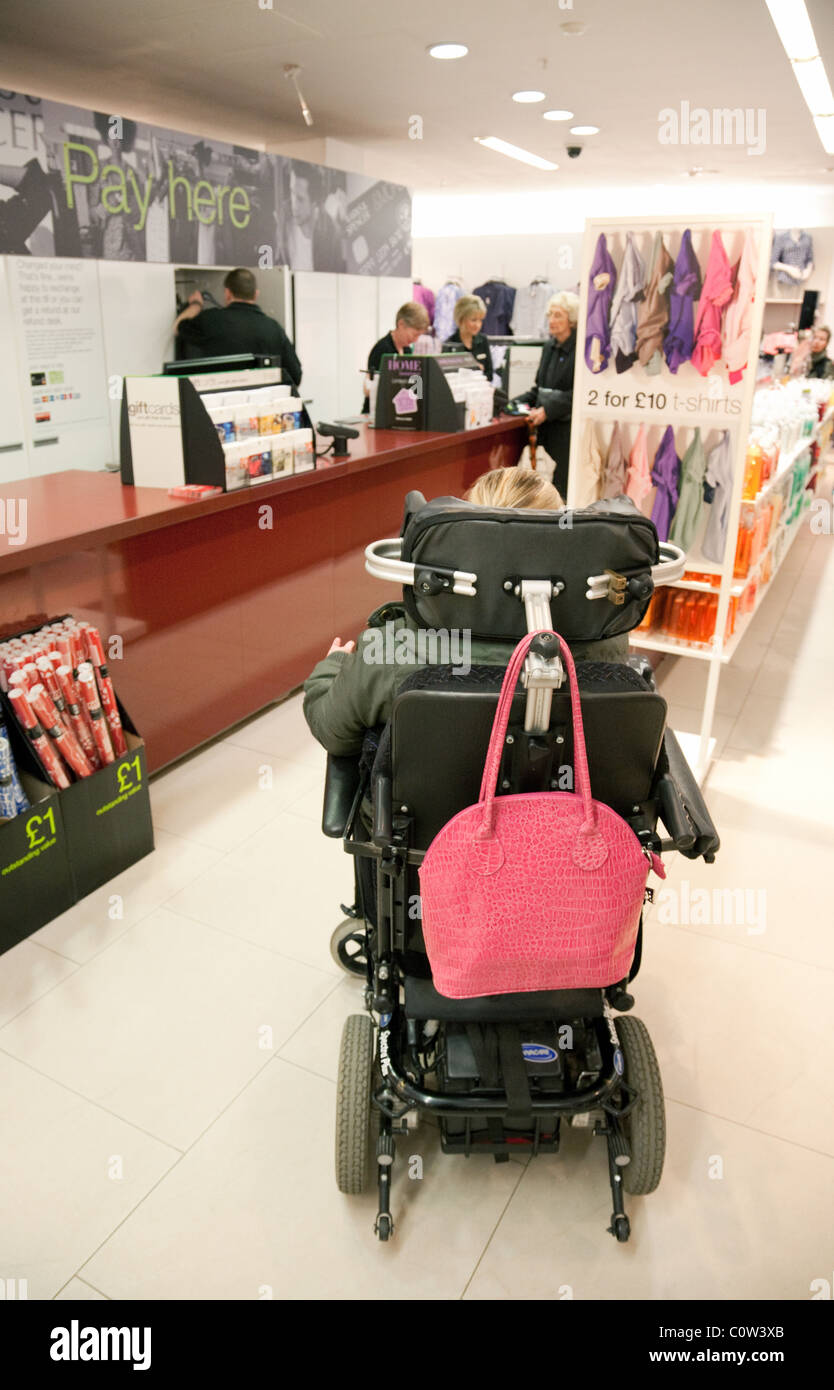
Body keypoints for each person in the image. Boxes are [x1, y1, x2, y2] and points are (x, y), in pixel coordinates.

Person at [303, 466, 625, 758]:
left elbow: (333, 732)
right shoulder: (608, 645)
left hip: (426, 824)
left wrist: (333, 667)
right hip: (567, 821)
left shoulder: (391, 651)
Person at [174, 267, 302, 387]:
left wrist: (196, 304)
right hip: (264, 407)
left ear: (228, 293)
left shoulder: (210, 320)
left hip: (219, 404)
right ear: (256, 294)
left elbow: (179, 326)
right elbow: (295, 376)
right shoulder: (274, 328)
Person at [511, 291, 579, 498]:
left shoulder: (580, 349)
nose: (552, 320)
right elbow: (539, 388)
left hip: (566, 431)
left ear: (572, 319)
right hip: (545, 429)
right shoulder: (549, 347)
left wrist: (548, 410)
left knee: (562, 490)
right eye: (550, 315)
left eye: (558, 315)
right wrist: (514, 403)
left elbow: (577, 395)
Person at [361, 301, 430, 414]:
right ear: (401, 324)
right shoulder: (382, 349)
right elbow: (368, 389)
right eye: (414, 334)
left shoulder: (407, 350)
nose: (415, 340)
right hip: (376, 414)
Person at [442, 294, 494, 380]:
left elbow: (489, 375)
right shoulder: (449, 345)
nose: (478, 325)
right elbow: (447, 378)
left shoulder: (483, 341)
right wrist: (473, 371)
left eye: (480, 320)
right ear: (461, 319)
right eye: (473, 320)